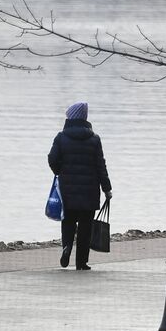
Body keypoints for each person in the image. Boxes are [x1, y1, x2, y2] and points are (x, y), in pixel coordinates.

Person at [48, 101, 112, 270]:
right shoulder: (94, 139)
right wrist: (107, 188)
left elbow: (52, 159)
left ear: (71, 118)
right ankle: (82, 263)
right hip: (89, 191)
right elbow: (101, 166)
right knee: (86, 227)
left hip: (67, 190)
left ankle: (67, 247)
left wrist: (59, 171)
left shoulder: (61, 138)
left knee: (67, 222)